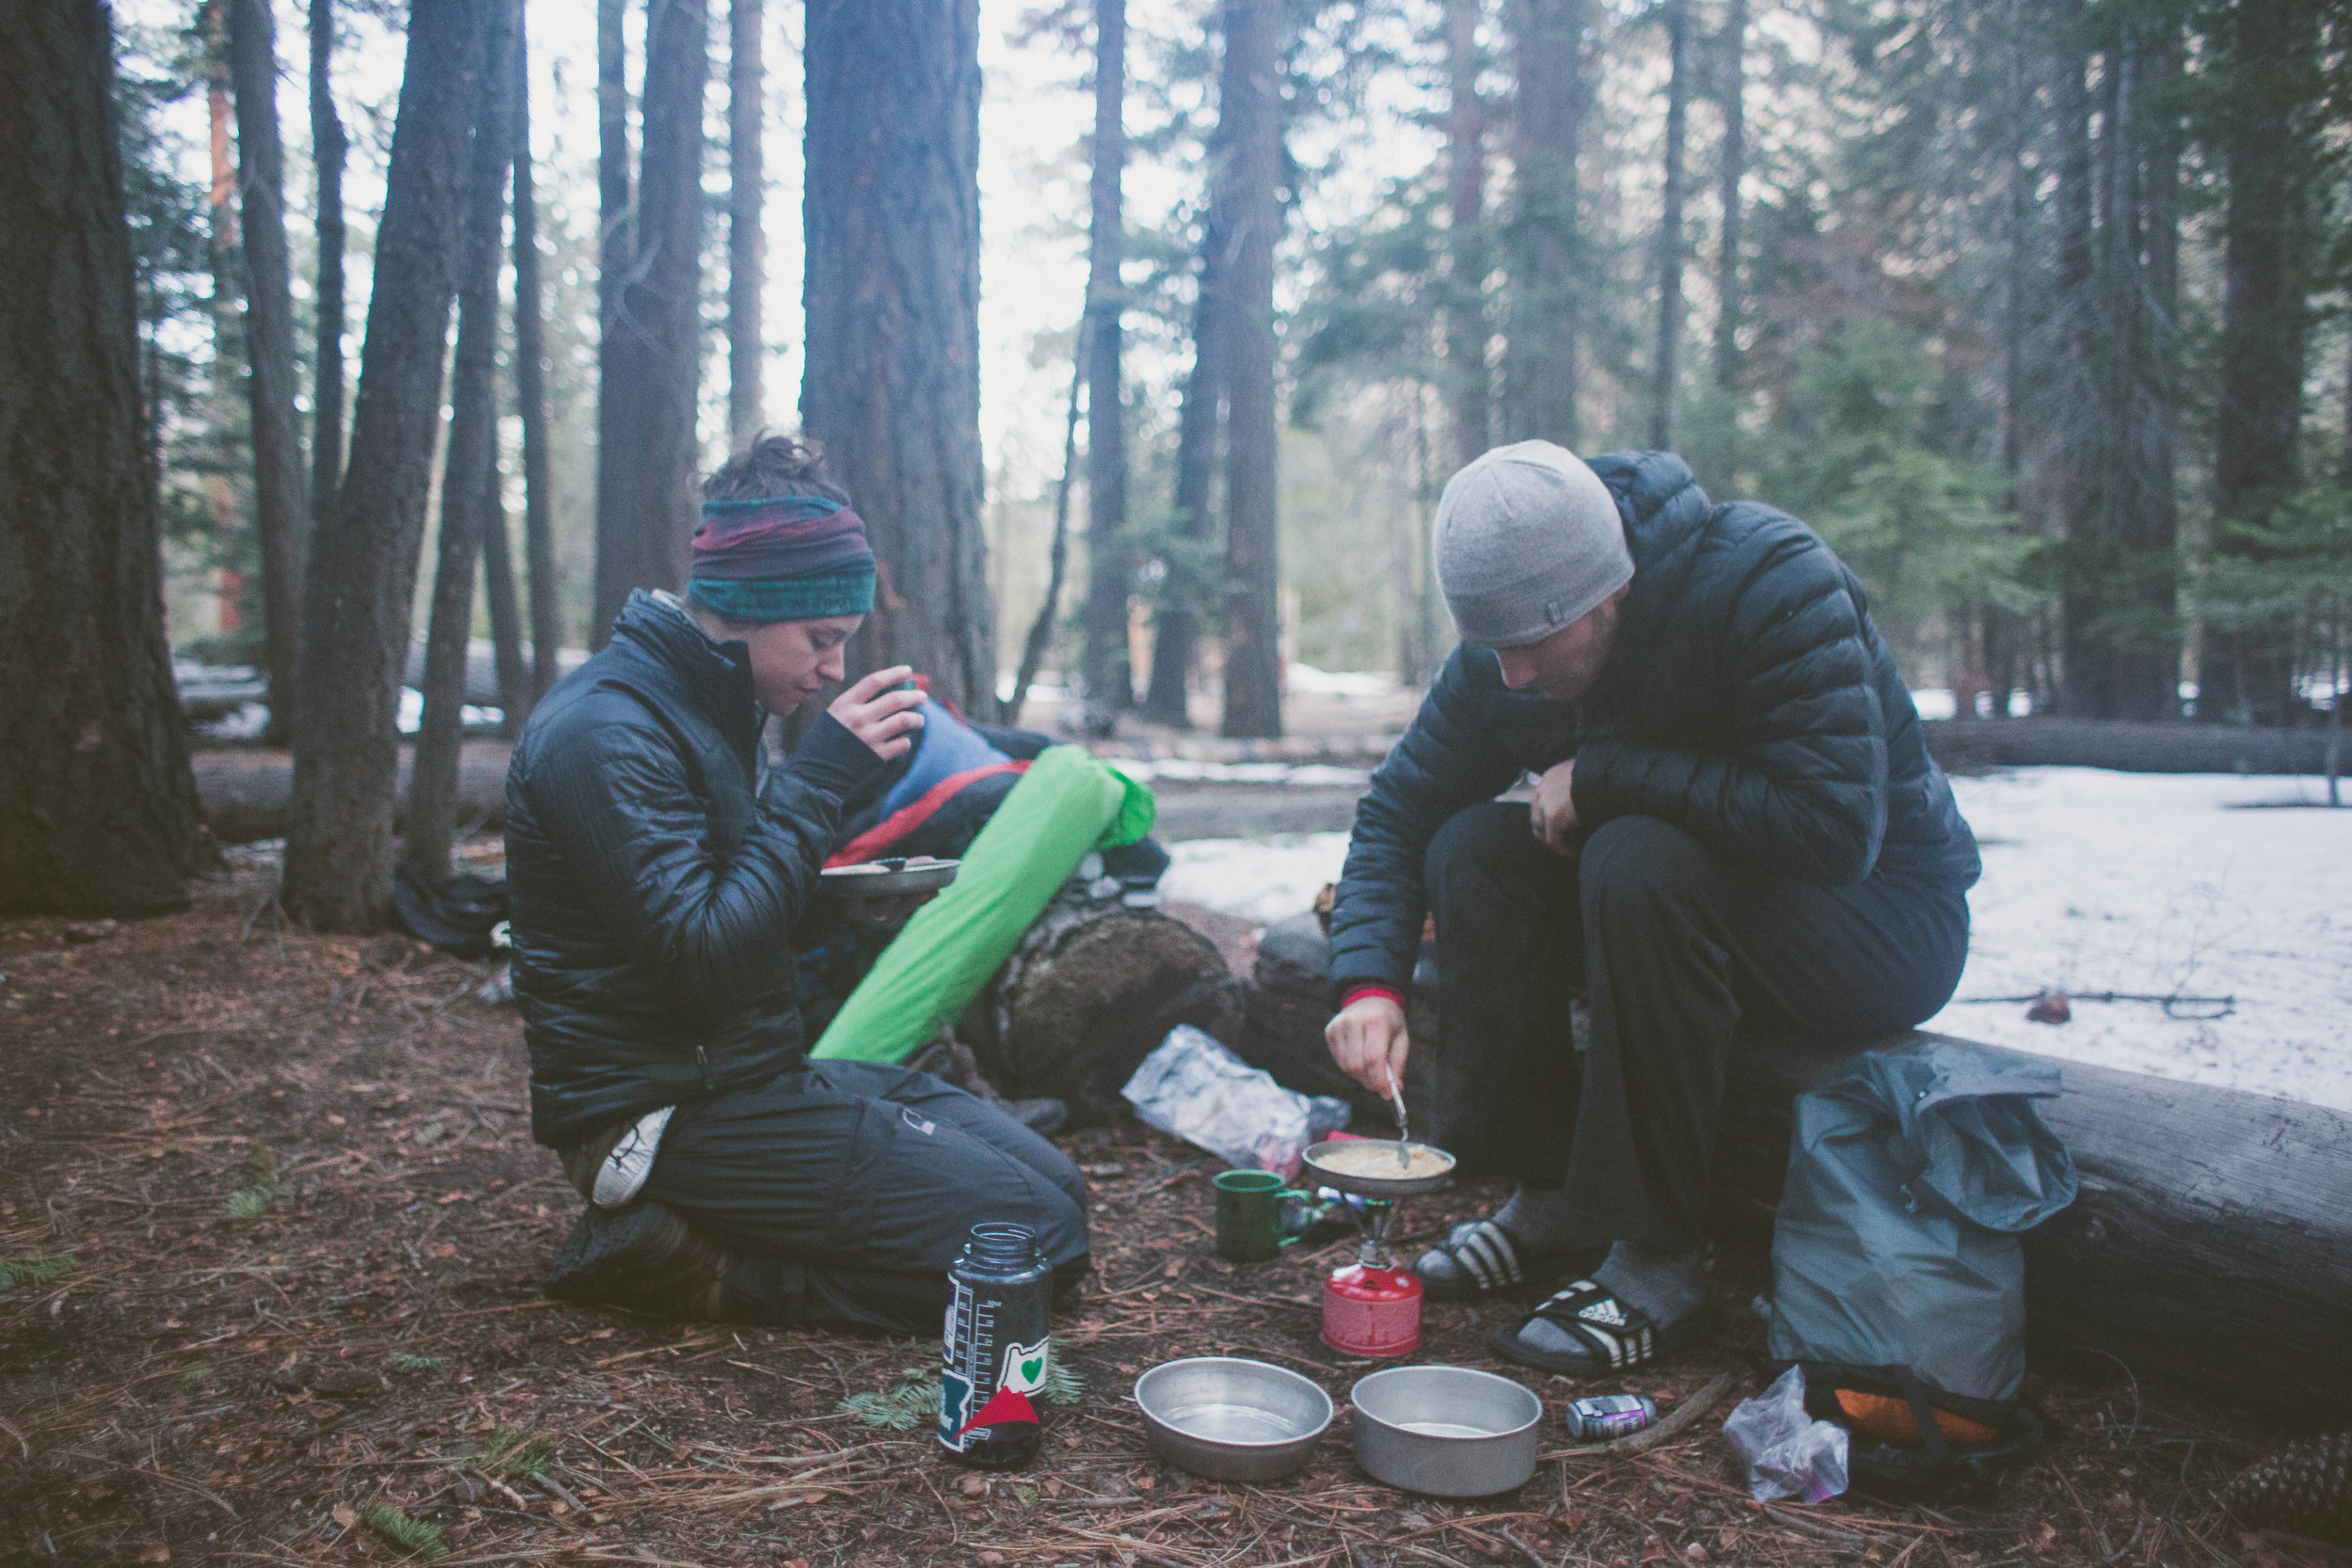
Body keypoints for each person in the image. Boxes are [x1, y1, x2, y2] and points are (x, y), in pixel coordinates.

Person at [1322, 442, 1979, 1374]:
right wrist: (1366, 983)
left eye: (1529, 646)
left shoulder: (1766, 582)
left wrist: (1608, 777)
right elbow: (1397, 810)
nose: (1510, 675)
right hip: (1693, 903)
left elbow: (1834, 826)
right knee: (1471, 848)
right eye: (1490, 644)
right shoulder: (1509, 652)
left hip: (1879, 918)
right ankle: (1550, 1195)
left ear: (1604, 594)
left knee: (1635, 854)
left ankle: (1654, 1259)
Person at [507, 434, 1089, 1335]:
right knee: (1036, 1242)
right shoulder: (605, 731)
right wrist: (816, 782)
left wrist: (851, 896)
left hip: (746, 1073)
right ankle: (698, 1266)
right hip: (654, 1114)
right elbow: (699, 959)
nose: (832, 670)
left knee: (1058, 1187)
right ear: (751, 604)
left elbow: (719, 903)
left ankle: (737, 1229)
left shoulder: (707, 707)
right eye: (822, 640)